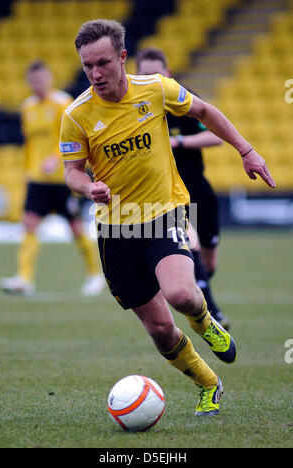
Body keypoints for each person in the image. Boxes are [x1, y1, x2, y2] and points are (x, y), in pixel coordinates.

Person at [60, 20, 275, 416]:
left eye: (104, 63)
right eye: (87, 65)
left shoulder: (156, 89)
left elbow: (206, 110)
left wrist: (246, 150)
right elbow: (71, 170)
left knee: (181, 295)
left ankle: (205, 320)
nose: (95, 73)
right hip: (115, 228)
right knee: (159, 330)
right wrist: (86, 187)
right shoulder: (76, 114)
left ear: (123, 57)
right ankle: (208, 382)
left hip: (164, 212)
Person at [135, 47, 229, 329]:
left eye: (156, 73)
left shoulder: (184, 100)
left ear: (168, 74)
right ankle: (211, 313)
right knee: (191, 242)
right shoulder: (134, 107)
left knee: (207, 259)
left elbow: (216, 137)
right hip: (165, 194)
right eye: (145, 74)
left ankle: (197, 293)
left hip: (196, 187)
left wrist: (180, 143)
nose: (151, 78)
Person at [0, 61, 105, 297]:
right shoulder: (27, 107)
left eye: (41, 79)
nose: (38, 84)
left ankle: (95, 275)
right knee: (29, 225)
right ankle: (24, 278)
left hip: (63, 179)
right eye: (33, 81)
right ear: (29, 82)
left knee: (76, 229)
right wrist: (28, 169)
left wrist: (56, 159)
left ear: (50, 79)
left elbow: (73, 138)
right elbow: (29, 144)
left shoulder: (62, 103)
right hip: (36, 179)